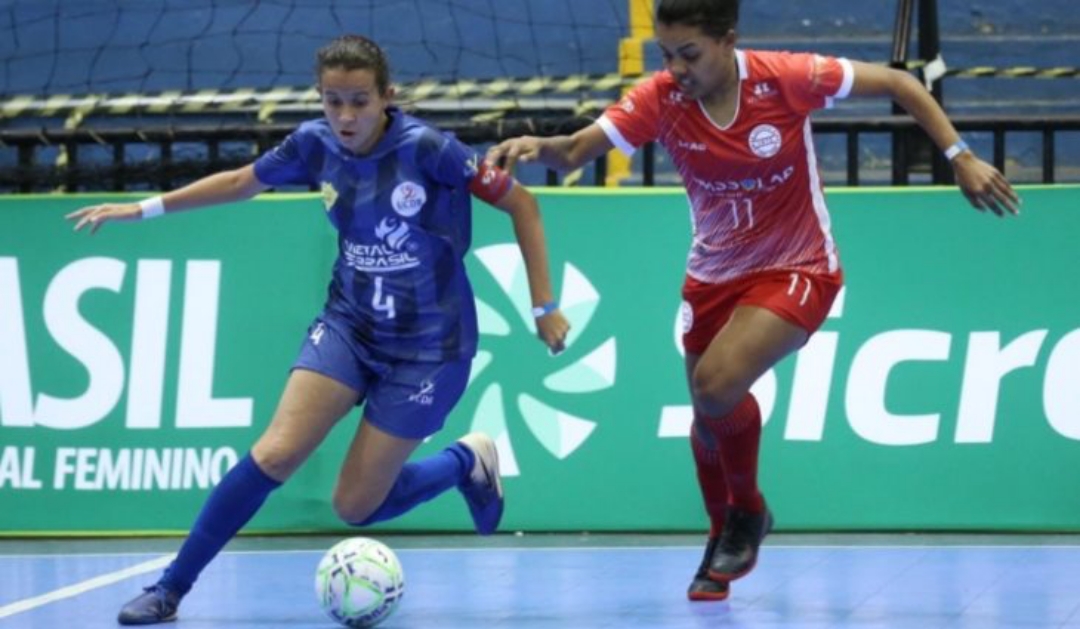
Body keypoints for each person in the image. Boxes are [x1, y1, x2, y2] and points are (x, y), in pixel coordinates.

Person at [486, 0, 1019, 603]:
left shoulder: (785, 77)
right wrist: (536, 145)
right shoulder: (660, 99)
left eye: (690, 53)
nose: (677, 68)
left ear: (728, 41)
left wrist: (960, 156)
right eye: (667, 54)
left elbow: (899, 81)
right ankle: (723, 538)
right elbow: (578, 150)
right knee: (708, 420)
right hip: (712, 275)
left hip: (798, 266)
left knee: (715, 386)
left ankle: (748, 511)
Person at [68, 34, 570, 625]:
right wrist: (141, 208)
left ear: (388, 96)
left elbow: (524, 204)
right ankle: (171, 588)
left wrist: (544, 307)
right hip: (349, 325)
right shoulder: (313, 143)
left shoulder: (430, 149)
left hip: (430, 349)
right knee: (276, 453)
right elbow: (240, 182)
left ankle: (465, 463)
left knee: (355, 505)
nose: (346, 115)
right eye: (333, 101)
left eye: (359, 100)